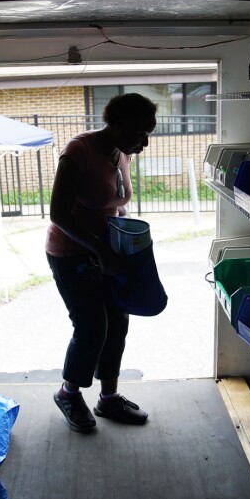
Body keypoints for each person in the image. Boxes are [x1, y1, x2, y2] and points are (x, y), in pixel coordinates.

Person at [45, 92, 158, 433]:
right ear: (119, 124)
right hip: (71, 252)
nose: (146, 143)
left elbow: (114, 203)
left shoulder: (120, 153)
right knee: (92, 327)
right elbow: (58, 213)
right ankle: (68, 393)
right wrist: (100, 250)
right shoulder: (80, 150)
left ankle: (108, 398)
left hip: (107, 252)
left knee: (118, 322)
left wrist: (127, 239)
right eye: (142, 133)